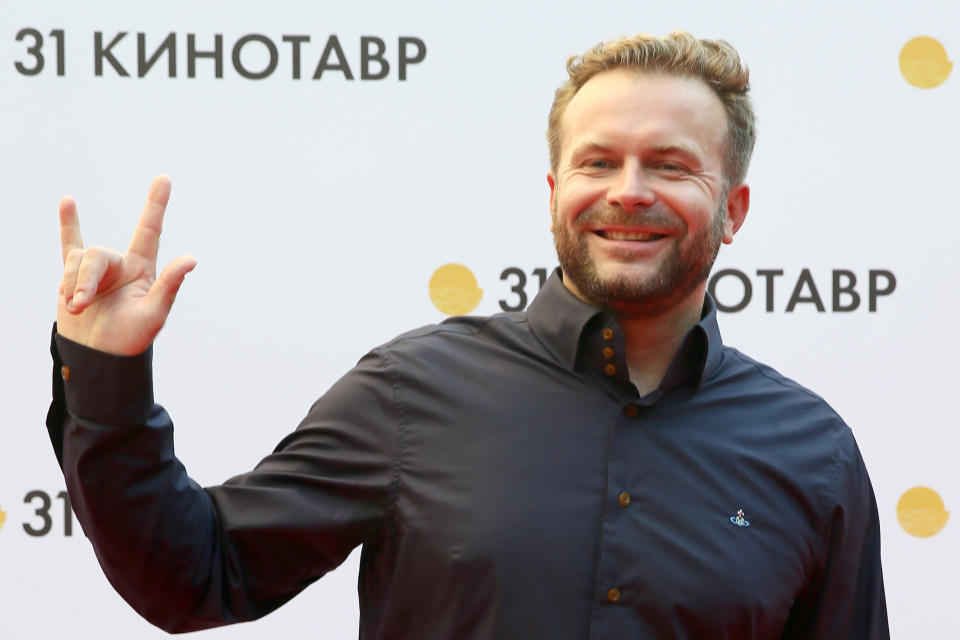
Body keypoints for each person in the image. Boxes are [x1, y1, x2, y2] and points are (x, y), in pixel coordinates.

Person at [47, 31, 889, 639]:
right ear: (557, 189)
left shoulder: (812, 453)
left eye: (670, 165)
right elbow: (194, 579)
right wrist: (106, 376)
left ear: (732, 209)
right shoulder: (412, 391)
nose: (629, 192)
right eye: (599, 163)